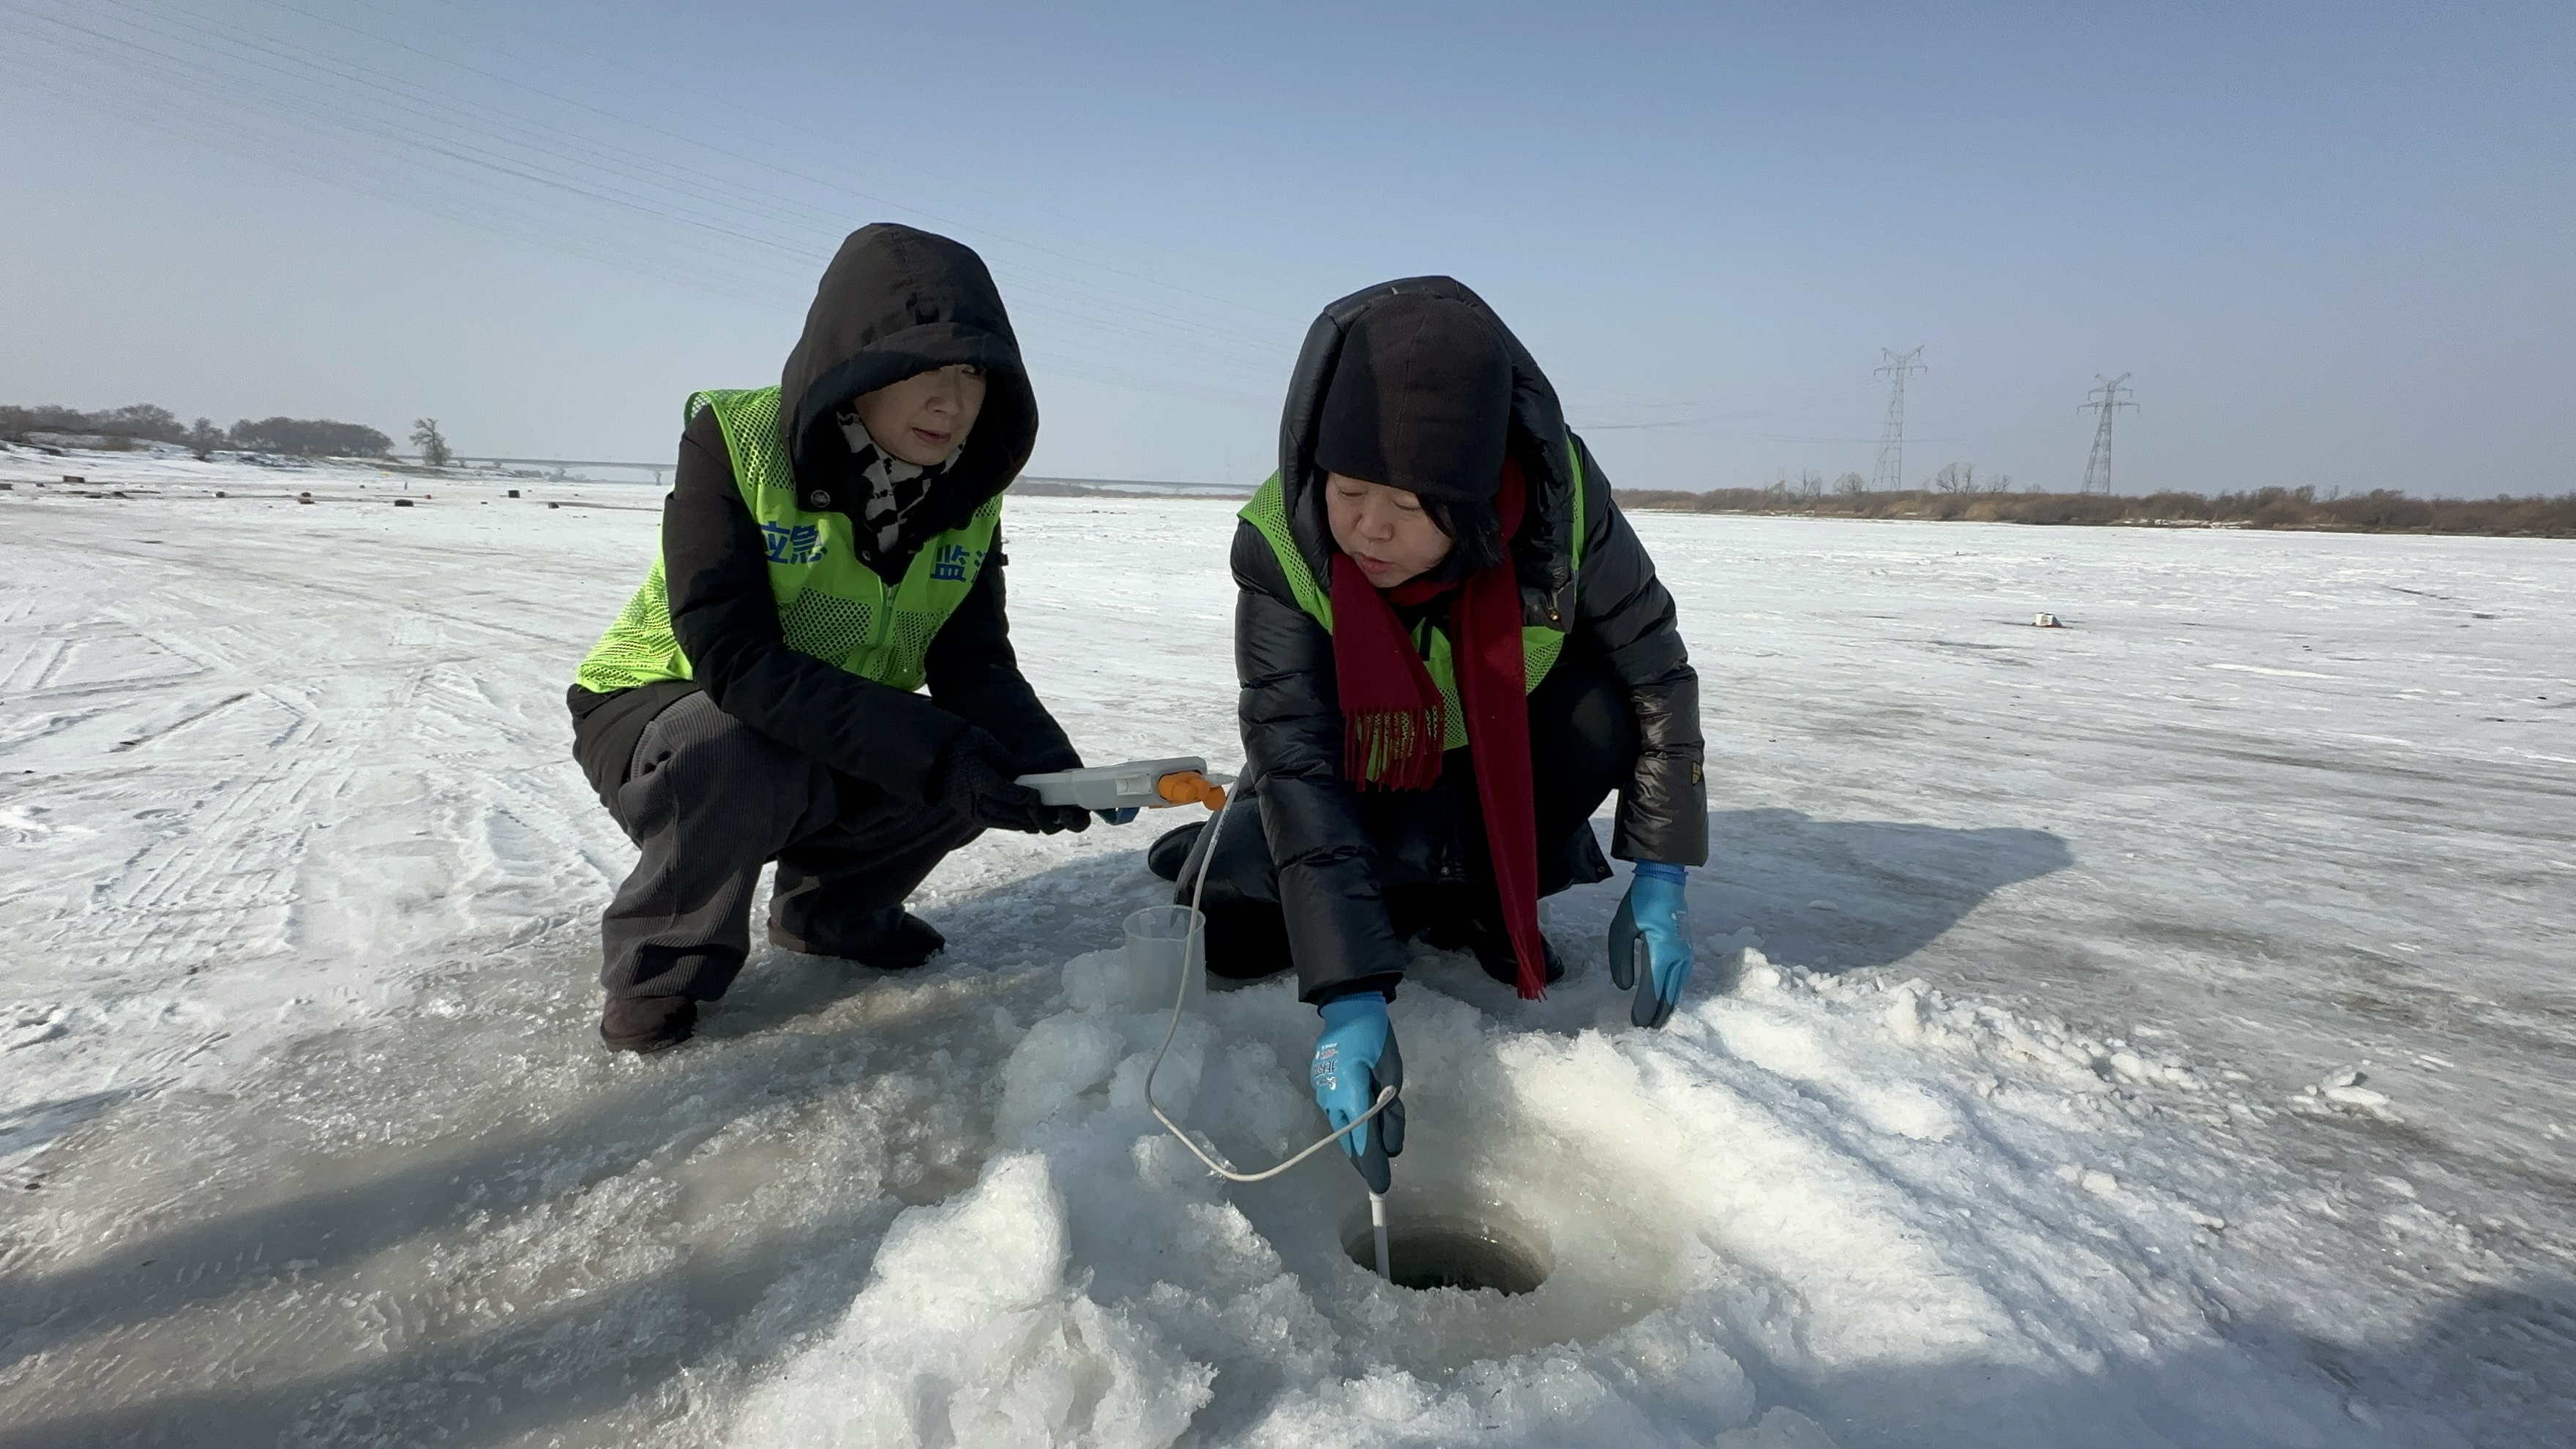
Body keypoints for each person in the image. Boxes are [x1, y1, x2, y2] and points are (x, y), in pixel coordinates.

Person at [1149, 278, 1706, 1190]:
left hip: (1497, 767)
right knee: (1227, 918)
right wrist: (1349, 994)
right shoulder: (1282, 543)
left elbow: (1656, 670)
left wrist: (1663, 868)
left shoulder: (1564, 512)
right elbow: (1295, 759)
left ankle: (1478, 893)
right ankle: (1387, 888)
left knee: (1601, 708)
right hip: (1355, 774)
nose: (1369, 527)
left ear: (1477, 495)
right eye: (1350, 489)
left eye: (1409, 507)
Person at [567, 223, 1099, 1054]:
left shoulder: (968, 495)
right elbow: (733, 658)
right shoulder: (736, 444)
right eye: (920, 367)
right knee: (743, 749)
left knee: (981, 755)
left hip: (827, 716)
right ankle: (662, 965)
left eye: (971, 373)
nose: (950, 401)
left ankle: (833, 914)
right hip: (667, 709)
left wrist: (1045, 767)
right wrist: (936, 749)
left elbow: (975, 663)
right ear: (853, 369)